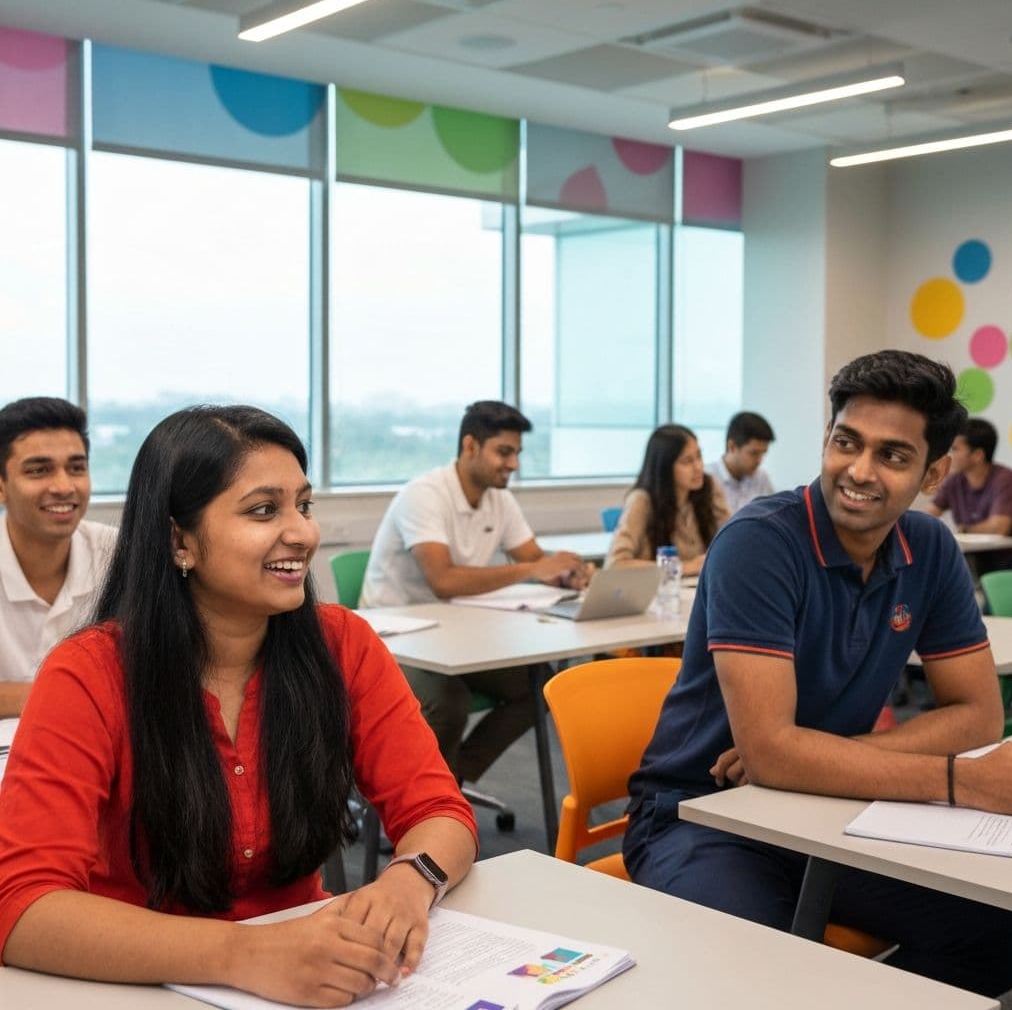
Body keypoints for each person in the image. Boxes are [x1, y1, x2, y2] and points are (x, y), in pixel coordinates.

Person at [0, 406, 477, 1006]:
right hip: (134, 981)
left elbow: (440, 810)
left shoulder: (341, 644)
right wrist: (244, 955)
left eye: (303, 505)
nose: (302, 533)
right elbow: (23, 906)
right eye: (263, 510)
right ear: (179, 540)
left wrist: (411, 882)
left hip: (313, 970)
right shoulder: (89, 674)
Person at [622, 351, 1012, 998]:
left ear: (933, 473)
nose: (859, 472)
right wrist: (962, 781)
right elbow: (775, 752)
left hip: (833, 805)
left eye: (893, 456)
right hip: (701, 815)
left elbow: (975, 714)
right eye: (846, 443)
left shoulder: (931, 549)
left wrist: (816, 761)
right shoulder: (760, 542)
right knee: (766, 979)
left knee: (1002, 933)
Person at [361, 400, 590, 783]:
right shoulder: (425, 495)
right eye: (504, 452)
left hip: (456, 634)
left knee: (541, 686)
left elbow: (532, 557)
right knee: (448, 701)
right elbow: (444, 580)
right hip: (394, 638)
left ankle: (449, 782)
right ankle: (415, 806)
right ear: (470, 446)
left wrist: (564, 574)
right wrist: (534, 569)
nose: (513, 463)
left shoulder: (499, 498)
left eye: (517, 453)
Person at [0, 396, 116, 717]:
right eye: (39, 470)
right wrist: (66, 693)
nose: (64, 486)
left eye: (76, 468)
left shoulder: (116, 554)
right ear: (2, 486)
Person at [605, 424, 730, 576]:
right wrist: (685, 567)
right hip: (661, 595)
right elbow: (615, 565)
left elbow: (732, 540)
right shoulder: (642, 500)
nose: (698, 467)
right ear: (664, 467)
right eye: (687, 461)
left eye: (699, 456)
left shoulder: (708, 489)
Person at [925, 416, 1012, 573]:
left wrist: (964, 529)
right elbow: (927, 515)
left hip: (1011, 567)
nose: (950, 455)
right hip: (973, 563)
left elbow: (999, 528)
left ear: (977, 455)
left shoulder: (1005, 479)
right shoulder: (954, 481)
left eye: (956, 449)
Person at [706, 411, 776, 513]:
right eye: (754, 453)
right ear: (732, 447)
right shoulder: (706, 479)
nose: (760, 460)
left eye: (763, 453)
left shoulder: (762, 478)